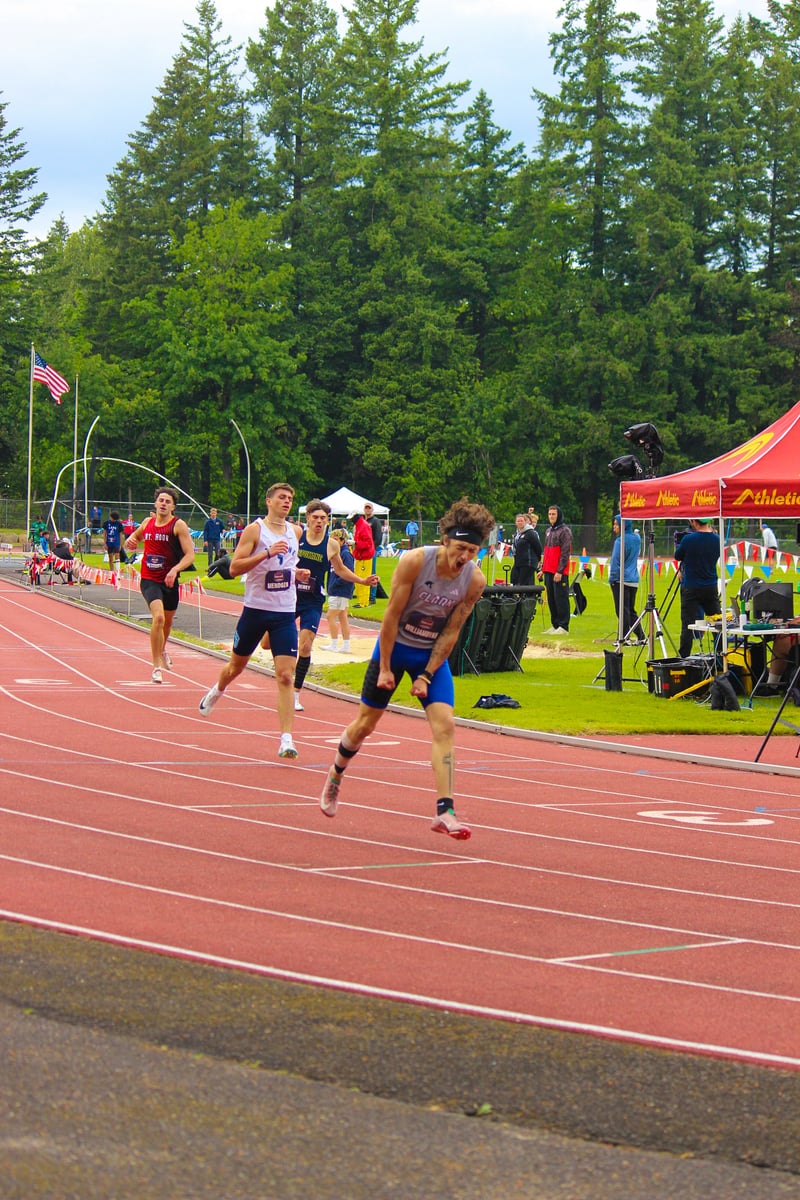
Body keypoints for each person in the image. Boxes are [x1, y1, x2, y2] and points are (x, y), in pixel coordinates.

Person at [320, 498, 495, 839]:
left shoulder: (474, 580)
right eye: (461, 547)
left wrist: (428, 674)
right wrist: (385, 667)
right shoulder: (416, 561)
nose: (465, 557)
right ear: (445, 540)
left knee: (445, 726)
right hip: (395, 648)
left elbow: (452, 629)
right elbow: (391, 617)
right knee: (365, 725)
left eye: (473, 551)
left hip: (429, 654)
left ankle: (446, 810)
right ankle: (336, 773)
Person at [198, 483, 311, 759]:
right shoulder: (255, 531)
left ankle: (286, 739)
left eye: (290, 498)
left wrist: (297, 573)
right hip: (256, 610)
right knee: (236, 667)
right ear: (269, 501)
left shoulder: (296, 531)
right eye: (282, 497)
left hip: (284, 612)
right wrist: (266, 554)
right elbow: (235, 567)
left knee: (285, 675)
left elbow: (287, 564)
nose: (287, 502)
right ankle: (217, 689)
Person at [287, 500, 376, 710]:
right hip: (288, 597)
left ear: (328, 521)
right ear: (307, 518)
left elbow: (341, 569)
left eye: (323, 518)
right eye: (315, 517)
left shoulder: (331, 544)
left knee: (306, 645)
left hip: (313, 601)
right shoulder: (297, 536)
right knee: (267, 643)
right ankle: (283, 672)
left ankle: (296, 694)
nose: (319, 521)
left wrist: (362, 581)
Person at [124, 488, 195, 683]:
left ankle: (162, 649)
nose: (163, 504)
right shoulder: (147, 523)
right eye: (161, 500)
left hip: (169, 580)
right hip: (149, 580)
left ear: (173, 506)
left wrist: (175, 570)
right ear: (155, 504)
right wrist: (131, 541)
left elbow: (190, 555)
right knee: (159, 618)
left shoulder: (178, 525)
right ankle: (156, 666)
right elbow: (135, 538)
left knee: (168, 623)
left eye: (167, 501)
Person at [674, 516, 721, 658]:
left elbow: (678, 555)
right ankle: (720, 655)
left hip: (691, 587)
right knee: (717, 623)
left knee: (687, 626)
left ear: (694, 522)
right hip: (710, 587)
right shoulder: (717, 539)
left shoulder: (688, 539)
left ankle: (683, 659)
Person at [321, 527, 357, 652]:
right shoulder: (335, 553)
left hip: (340, 590)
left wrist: (334, 585)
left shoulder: (345, 554)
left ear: (342, 541)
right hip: (337, 589)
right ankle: (345, 645)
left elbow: (348, 572)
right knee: (343, 617)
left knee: (330, 616)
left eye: (336, 539)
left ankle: (334, 643)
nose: (334, 542)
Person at [540, 505, 572, 633]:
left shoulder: (565, 531)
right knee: (552, 599)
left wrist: (560, 571)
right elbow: (547, 552)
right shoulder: (548, 531)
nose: (551, 516)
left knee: (561, 598)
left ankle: (563, 626)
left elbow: (565, 552)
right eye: (550, 514)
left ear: (558, 515)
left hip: (558, 571)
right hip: (548, 570)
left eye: (554, 514)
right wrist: (543, 568)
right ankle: (555, 624)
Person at [608, 515, 641, 641]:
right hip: (634, 579)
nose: (614, 526)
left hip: (621, 579)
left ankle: (623, 637)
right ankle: (640, 635)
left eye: (616, 524)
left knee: (621, 611)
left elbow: (616, 562)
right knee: (630, 611)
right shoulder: (637, 539)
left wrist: (612, 579)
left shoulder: (619, 541)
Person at [509, 513, 542, 587]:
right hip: (519, 562)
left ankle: (528, 597)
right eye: (518, 521)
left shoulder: (531, 533)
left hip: (528, 563)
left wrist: (538, 559)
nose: (520, 522)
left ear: (525, 522)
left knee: (525, 584)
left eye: (521, 521)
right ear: (515, 523)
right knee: (514, 579)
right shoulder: (518, 534)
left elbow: (538, 547)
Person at [351, 511, 376, 608]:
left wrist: (356, 544)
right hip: (360, 555)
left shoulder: (363, 526)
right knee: (358, 578)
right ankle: (361, 600)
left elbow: (368, 543)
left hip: (365, 556)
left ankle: (364, 602)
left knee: (364, 578)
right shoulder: (359, 525)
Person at [363, 502, 383, 603]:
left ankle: (372, 596)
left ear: (372, 510)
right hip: (363, 550)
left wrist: (373, 548)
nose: (367, 510)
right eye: (366, 508)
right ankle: (364, 593)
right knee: (362, 572)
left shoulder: (375, 521)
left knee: (372, 572)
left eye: (369, 508)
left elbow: (378, 537)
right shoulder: (363, 521)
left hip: (371, 550)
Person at [103, 509, 127, 574]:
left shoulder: (119, 524)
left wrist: (120, 544)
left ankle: (118, 571)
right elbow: (104, 533)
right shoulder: (106, 523)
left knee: (117, 555)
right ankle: (111, 571)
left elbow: (120, 534)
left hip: (116, 542)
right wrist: (104, 543)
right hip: (109, 542)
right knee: (110, 557)